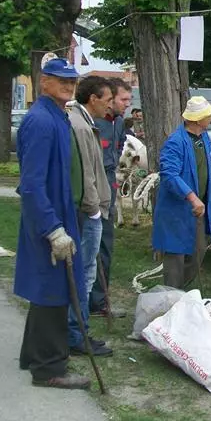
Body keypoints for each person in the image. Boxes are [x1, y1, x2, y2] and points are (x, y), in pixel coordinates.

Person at [15, 58, 90, 389]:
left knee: (50, 286)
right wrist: (53, 229)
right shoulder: (41, 121)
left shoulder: (56, 116)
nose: (68, 85)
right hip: (48, 219)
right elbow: (31, 184)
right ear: (43, 81)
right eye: (60, 80)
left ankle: (33, 354)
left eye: (72, 81)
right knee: (53, 291)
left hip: (59, 213)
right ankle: (49, 369)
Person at [152, 96, 211, 288]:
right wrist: (192, 198)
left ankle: (180, 291)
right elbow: (169, 174)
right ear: (198, 119)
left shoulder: (203, 136)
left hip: (199, 207)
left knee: (198, 251)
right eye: (209, 115)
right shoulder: (175, 142)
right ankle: (171, 296)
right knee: (176, 254)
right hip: (178, 208)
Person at [66, 76, 114, 357]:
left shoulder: (82, 122)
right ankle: (77, 334)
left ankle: (78, 330)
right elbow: (86, 172)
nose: (109, 105)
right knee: (83, 274)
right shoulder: (81, 126)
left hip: (89, 209)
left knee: (84, 273)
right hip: (88, 212)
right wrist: (94, 208)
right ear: (93, 99)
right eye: (107, 99)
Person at [90, 77, 132, 318]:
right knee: (91, 247)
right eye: (123, 99)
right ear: (110, 99)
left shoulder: (118, 123)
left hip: (108, 193)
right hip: (93, 194)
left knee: (105, 247)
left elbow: (115, 153)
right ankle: (91, 301)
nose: (127, 104)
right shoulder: (93, 122)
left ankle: (98, 301)